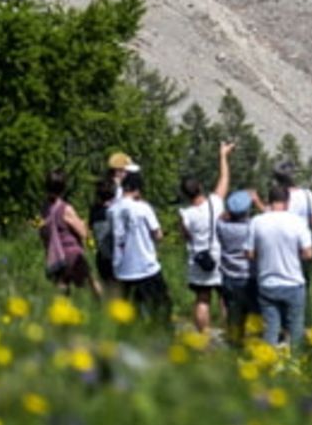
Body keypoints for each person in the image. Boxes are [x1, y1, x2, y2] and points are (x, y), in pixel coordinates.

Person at [247, 184, 312, 352]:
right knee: (296, 329)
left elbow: (249, 254)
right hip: (293, 282)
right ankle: (297, 367)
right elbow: (308, 254)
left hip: (267, 282)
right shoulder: (297, 222)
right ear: (287, 202)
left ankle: (268, 367)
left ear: (269, 201)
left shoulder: (257, 221)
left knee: (270, 330)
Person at [178, 142, 235, 336]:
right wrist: (223, 156)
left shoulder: (186, 214)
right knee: (224, 299)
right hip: (219, 256)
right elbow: (224, 178)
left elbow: (186, 236)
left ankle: (203, 337)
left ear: (185, 194)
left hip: (198, 258)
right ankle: (229, 333)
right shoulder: (216, 202)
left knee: (202, 299)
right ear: (200, 187)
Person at [109, 170, 170, 322]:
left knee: (131, 313)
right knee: (161, 306)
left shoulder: (111, 210)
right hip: (145, 267)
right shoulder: (143, 208)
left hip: (122, 268)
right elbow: (158, 234)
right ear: (137, 189)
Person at [40, 170, 100, 298]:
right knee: (92, 284)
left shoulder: (45, 208)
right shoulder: (66, 209)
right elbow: (83, 233)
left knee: (62, 288)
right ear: (63, 188)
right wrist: (83, 224)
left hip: (55, 255)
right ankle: (103, 309)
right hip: (72, 253)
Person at [216, 189, 258, 343]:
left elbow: (220, 217)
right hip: (250, 277)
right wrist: (255, 201)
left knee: (234, 316)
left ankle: (235, 345)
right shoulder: (252, 226)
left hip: (229, 277)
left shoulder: (221, 227)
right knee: (254, 316)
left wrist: (229, 209)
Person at [88, 174, 120, 297]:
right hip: (117, 255)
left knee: (108, 288)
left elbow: (91, 228)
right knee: (120, 290)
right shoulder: (116, 210)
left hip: (101, 256)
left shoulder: (94, 211)